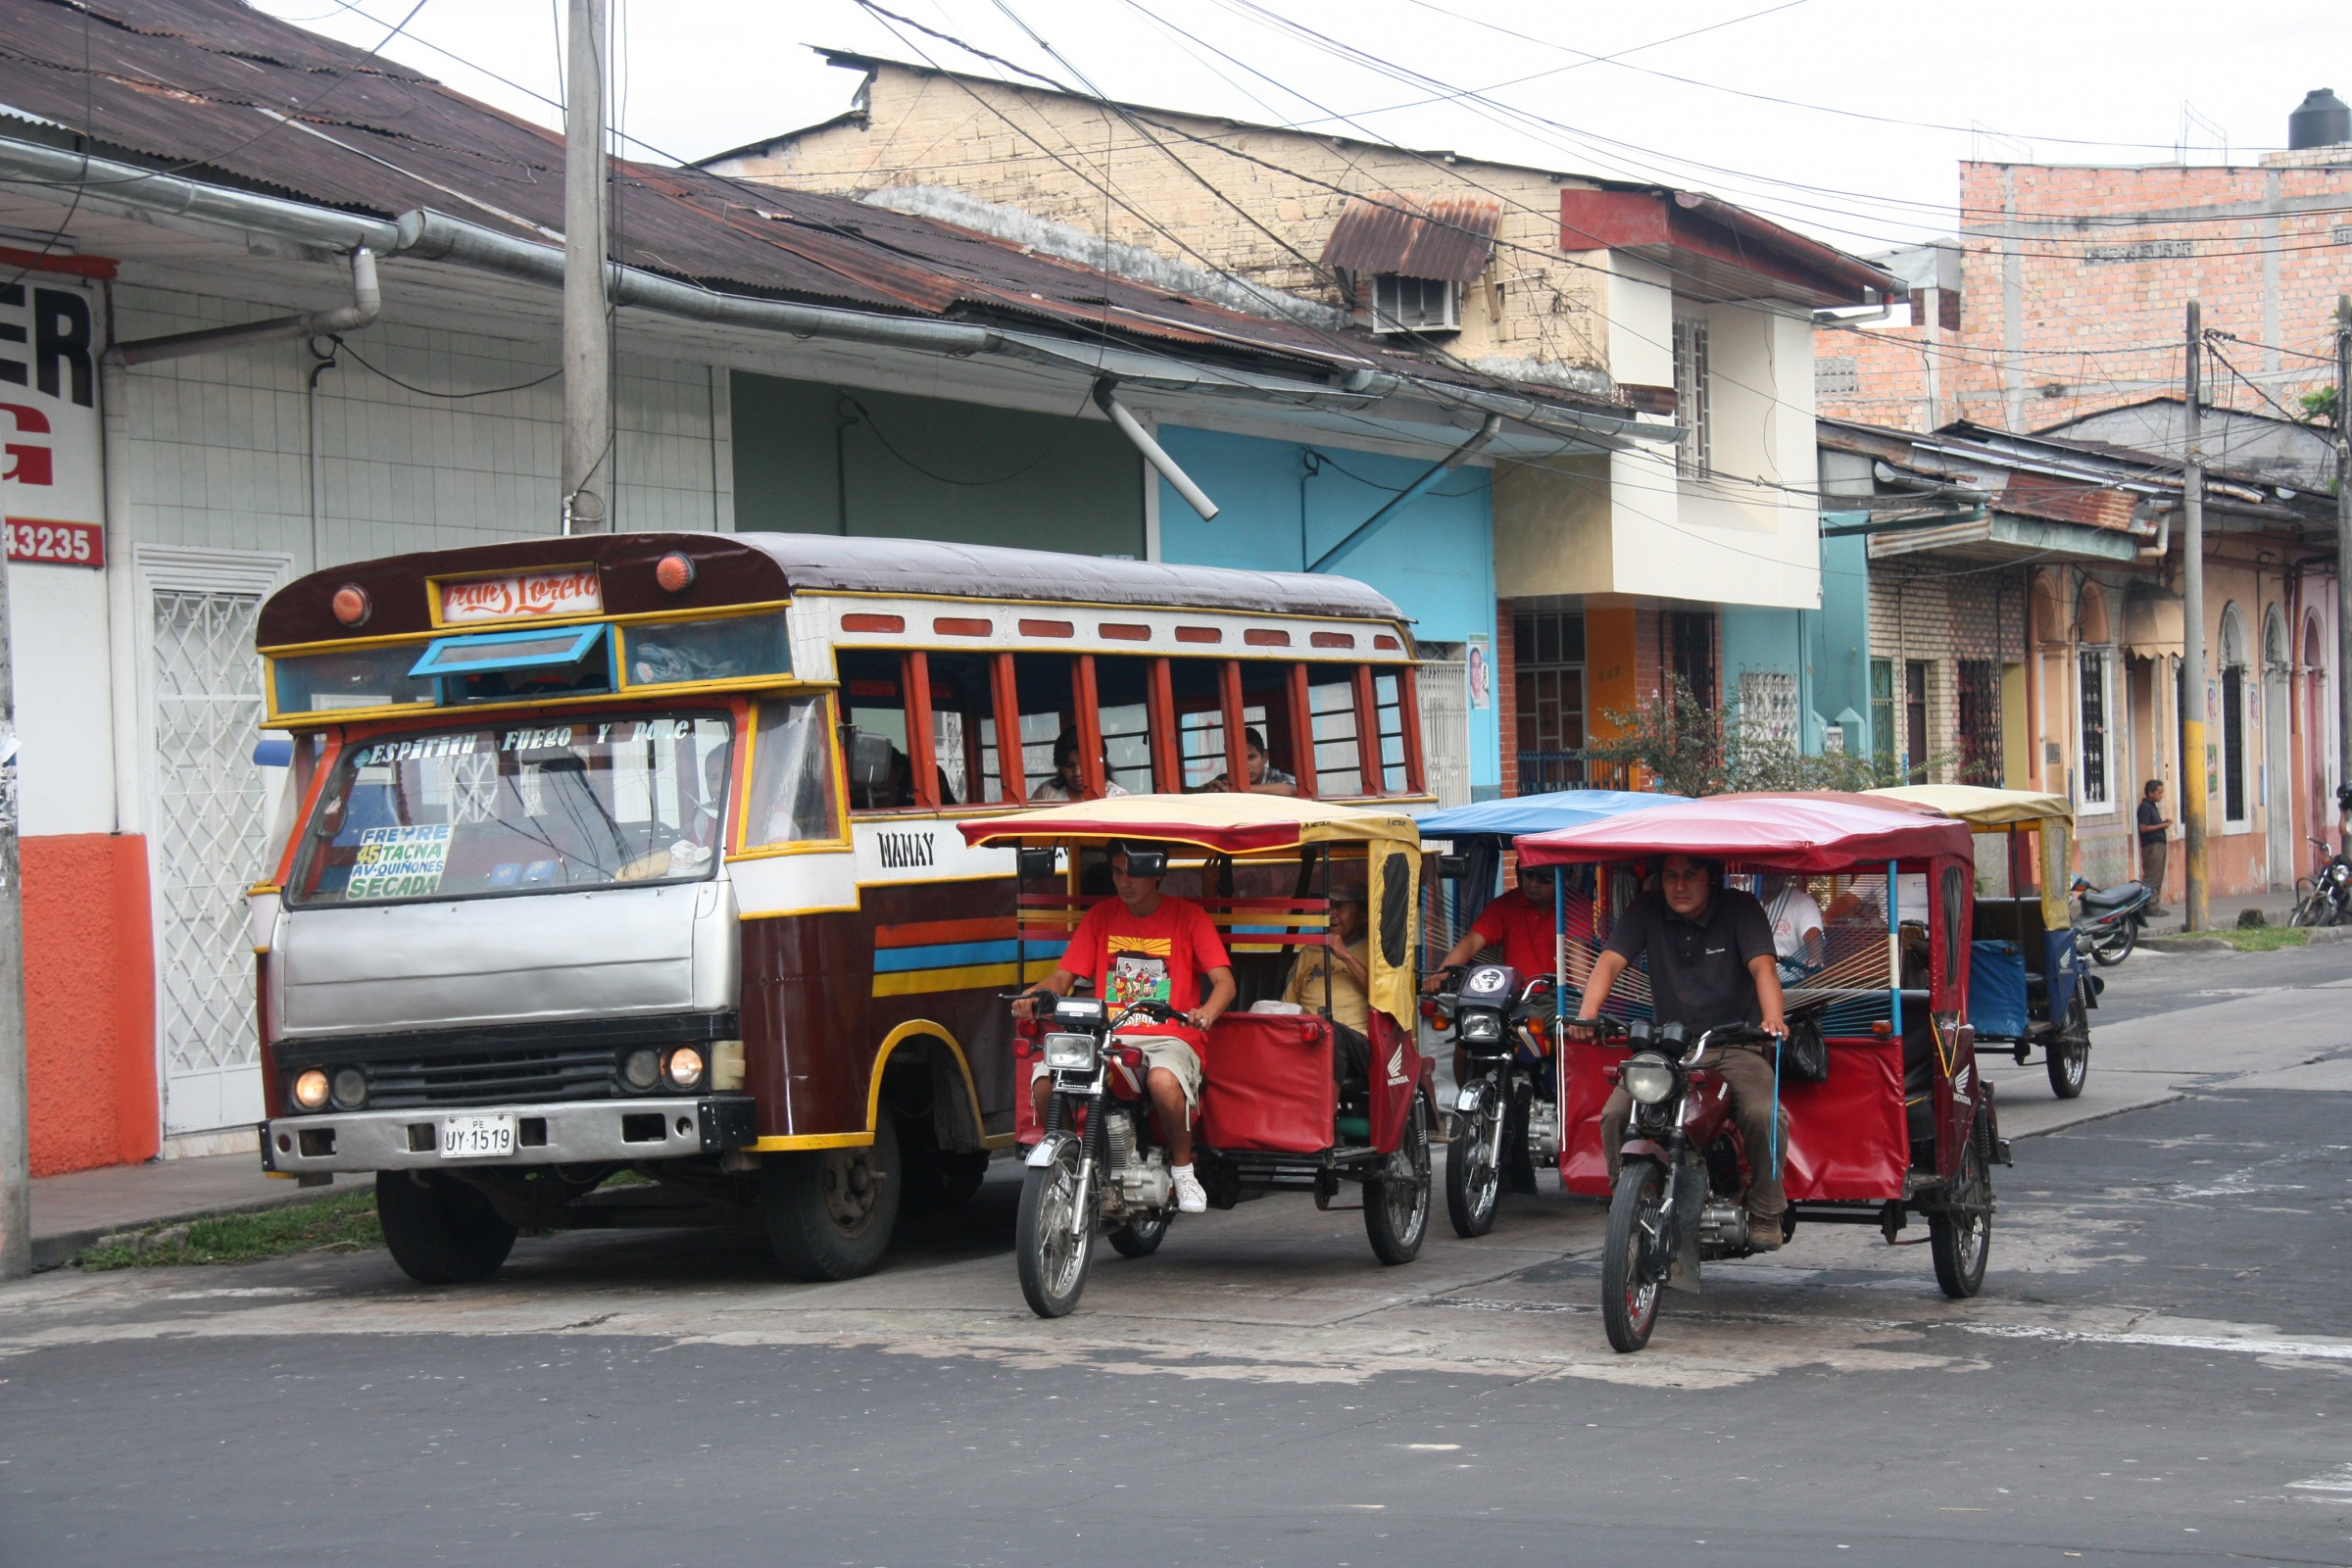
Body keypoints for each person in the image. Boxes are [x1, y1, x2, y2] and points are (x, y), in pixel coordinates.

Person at [1573, 854, 1792, 1250]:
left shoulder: (1740, 908)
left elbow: (1763, 968)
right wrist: (1587, 1014)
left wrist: (1772, 1019)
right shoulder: (1647, 908)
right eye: (1671, 876)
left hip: (1733, 1046)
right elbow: (1609, 962)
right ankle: (1625, 1204)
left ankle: (1766, 1210)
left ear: (1712, 878)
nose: (1679, 886)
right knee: (1615, 1114)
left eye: (1691, 875)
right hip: (1669, 1049)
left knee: (1765, 1115)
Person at [1014, 842, 1235, 1214]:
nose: (1124, 882)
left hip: (1170, 1036)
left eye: (1133, 873)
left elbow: (1225, 982)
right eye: (1117, 872)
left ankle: (1183, 1169)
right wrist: (1035, 994)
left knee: (1163, 1082)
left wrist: (1207, 1012)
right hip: (1107, 1035)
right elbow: (1064, 977)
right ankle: (1066, 1169)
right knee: (1045, 1082)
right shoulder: (1100, 916)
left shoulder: (1190, 917)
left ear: (1157, 874)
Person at [1758, 873, 1826, 983]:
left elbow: (1812, 932)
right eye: (1764, 871)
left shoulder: (1802, 901)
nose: (1769, 875)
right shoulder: (1743, 898)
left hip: (1790, 984)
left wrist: (1815, 956)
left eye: (1775, 872)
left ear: (1785, 874)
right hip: (1748, 984)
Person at [1196, 727, 1298, 796]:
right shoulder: (1224, 780)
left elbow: (1292, 790)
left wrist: (1237, 790)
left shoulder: (1278, 778)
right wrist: (1208, 792)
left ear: (1264, 757)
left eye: (1251, 757)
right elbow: (1193, 792)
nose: (1245, 766)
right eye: (1238, 760)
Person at [1030, 732, 1130, 803]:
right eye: (1069, 766)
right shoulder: (1046, 793)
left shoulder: (1117, 798)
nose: (1077, 773)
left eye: (1084, 765)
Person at [2137, 779, 2171, 916]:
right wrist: (2162, 826)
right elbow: (2143, 828)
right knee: (2152, 876)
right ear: (2150, 793)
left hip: (2159, 844)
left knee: (2158, 876)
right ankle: (2149, 905)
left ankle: (2155, 904)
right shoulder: (2145, 807)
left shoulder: (2152, 806)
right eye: (2158, 793)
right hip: (2152, 846)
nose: (2160, 796)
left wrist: (2163, 823)